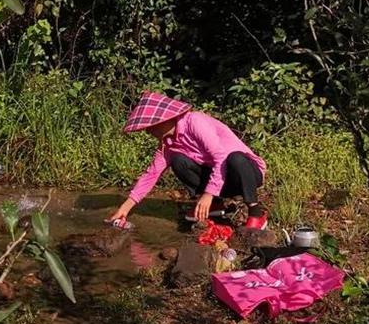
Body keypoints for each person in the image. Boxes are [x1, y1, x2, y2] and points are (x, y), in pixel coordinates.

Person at [108, 91, 268, 230]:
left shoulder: (194, 121)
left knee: (235, 158)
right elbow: (151, 174)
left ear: (162, 120)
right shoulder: (168, 145)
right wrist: (125, 207)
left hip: (245, 174)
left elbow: (220, 158)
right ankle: (215, 204)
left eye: (150, 127)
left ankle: (256, 213)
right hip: (222, 181)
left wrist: (208, 194)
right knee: (179, 161)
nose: (148, 131)